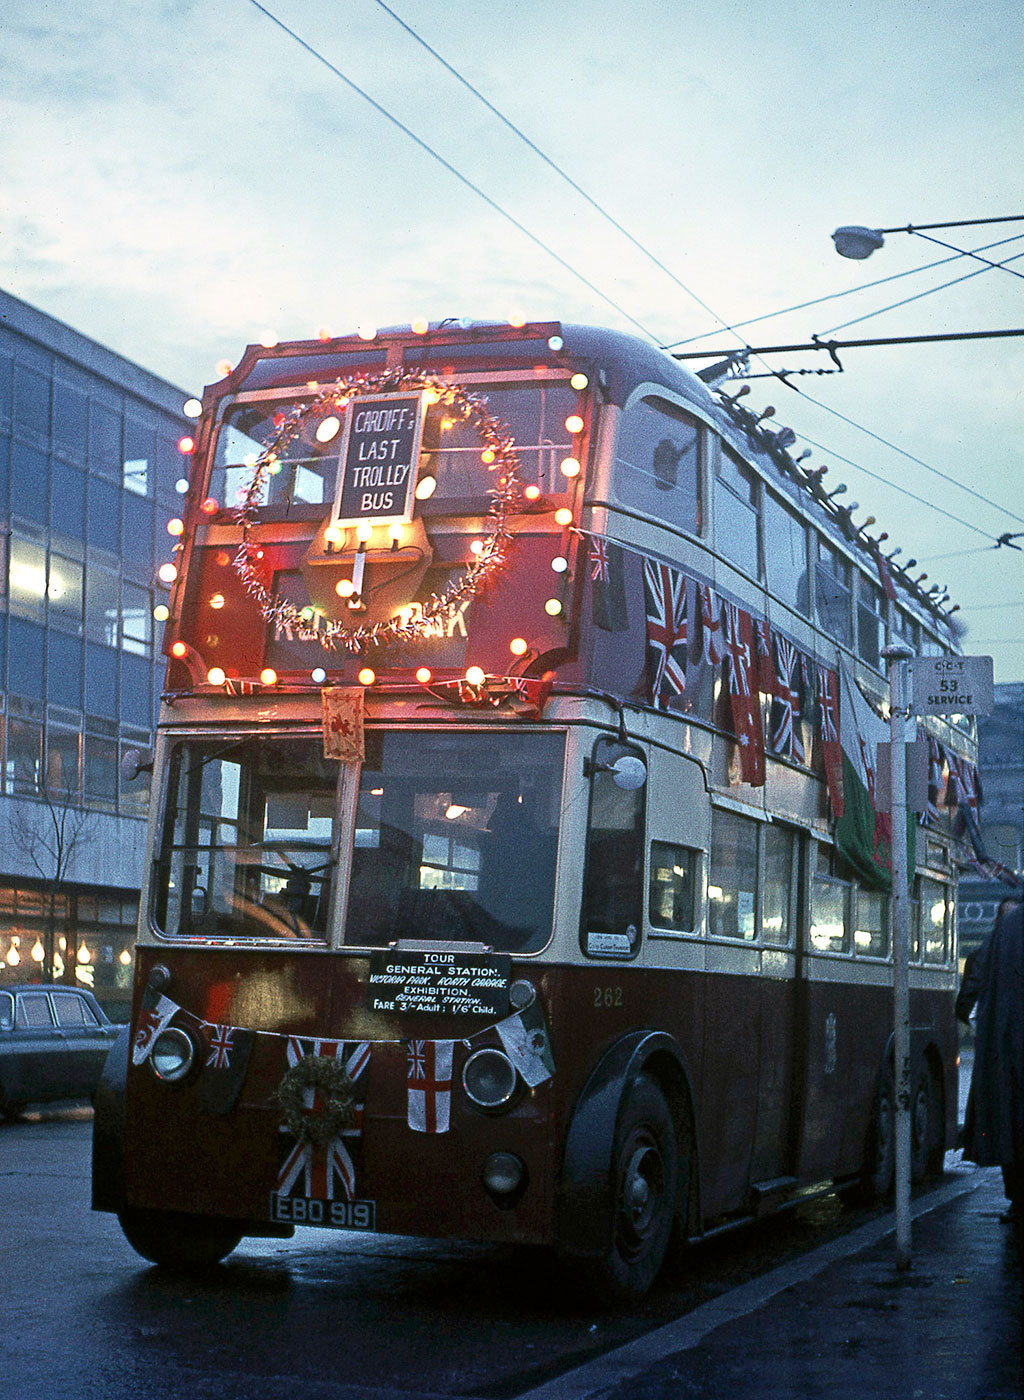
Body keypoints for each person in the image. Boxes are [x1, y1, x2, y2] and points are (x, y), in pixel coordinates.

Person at [962, 899, 1024, 1221]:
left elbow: (970, 994)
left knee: (1009, 1126)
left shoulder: (999, 939)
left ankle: (1017, 1200)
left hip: (1006, 1049)